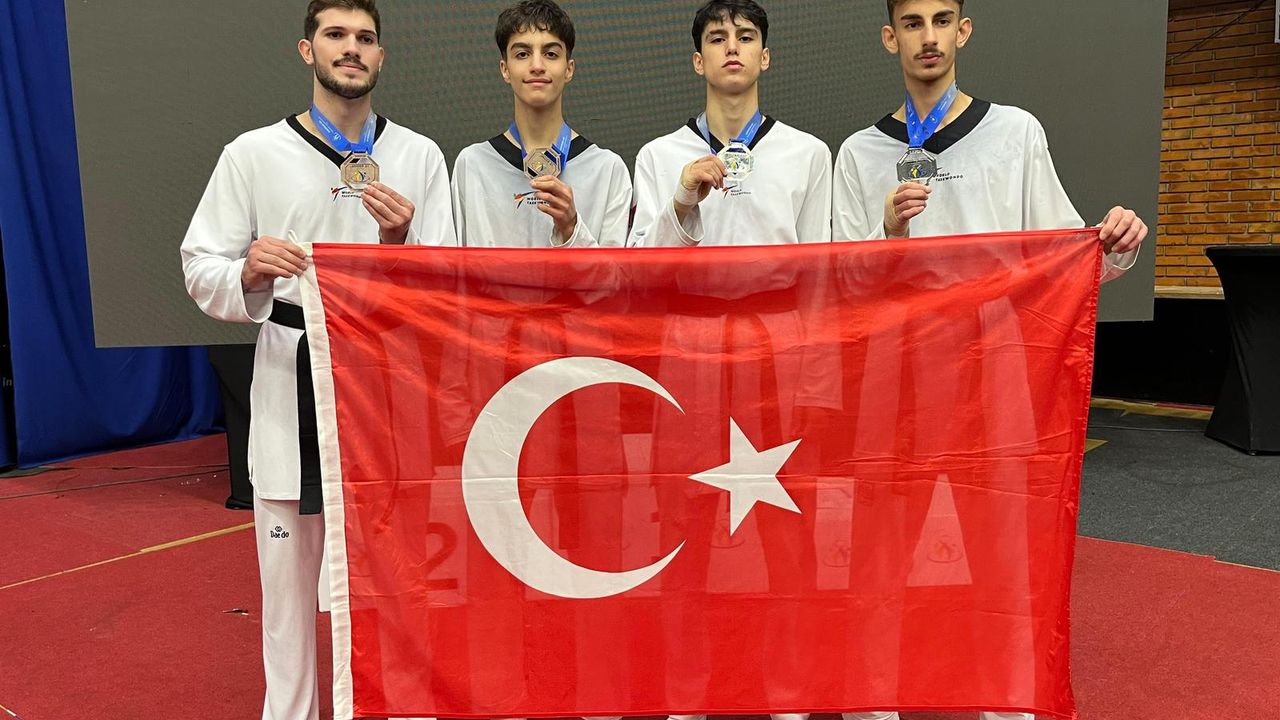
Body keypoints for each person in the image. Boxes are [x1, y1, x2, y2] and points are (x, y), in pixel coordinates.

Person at [832, 2, 1147, 720]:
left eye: (943, 19)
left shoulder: (1015, 133)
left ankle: (1006, 697)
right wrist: (886, 230)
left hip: (992, 373)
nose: (929, 36)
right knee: (880, 541)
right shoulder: (859, 153)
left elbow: (1063, 253)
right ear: (890, 37)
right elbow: (843, 281)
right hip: (897, 377)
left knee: (1002, 541)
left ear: (964, 31)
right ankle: (872, 697)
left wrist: (1113, 243)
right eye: (913, 22)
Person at [179, 2, 455, 718]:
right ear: (308, 50)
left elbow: (447, 286)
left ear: (381, 56)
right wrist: (248, 271)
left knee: (398, 584)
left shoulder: (420, 156)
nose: (351, 48)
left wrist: (398, 246)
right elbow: (199, 264)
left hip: (383, 379)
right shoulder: (252, 153)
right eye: (335, 35)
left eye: (365, 38)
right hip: (290, 369)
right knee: (288, 598)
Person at [628, 3, 828, 720]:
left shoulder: (808, 153)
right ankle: (685, 694)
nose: (732, 48)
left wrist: (816, 378)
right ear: (698, 60)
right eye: (717, 39)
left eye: (746, 38)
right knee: (683, 526)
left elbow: (820, 275)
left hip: (777, 347)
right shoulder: (659, 156)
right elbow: (640, 272)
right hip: (690, 346)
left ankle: (791, 694)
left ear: (765, 56)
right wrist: (683, 198)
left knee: (789, 531)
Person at [452, 0, 631, 248]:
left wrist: (571, 228)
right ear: (505, 69)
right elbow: (452, 266)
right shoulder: (472, 165)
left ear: (569, 69)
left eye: (551, 54)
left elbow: (616, 272)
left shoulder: (607, 170)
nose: (537, 66)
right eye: (522, 54)